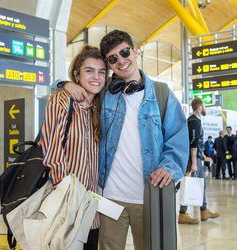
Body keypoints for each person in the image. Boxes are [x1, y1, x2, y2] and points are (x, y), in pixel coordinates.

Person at [60, 29, 189, 250]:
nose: (121, 61)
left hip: (148, 197)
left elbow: (178, 138)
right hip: (109, 198)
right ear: (109, 64)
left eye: (125, 52)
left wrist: (169, 166)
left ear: (135, 51)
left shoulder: (161, 94)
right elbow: (78, 81)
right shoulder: (103, 94)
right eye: (113, 59)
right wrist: (64, 84)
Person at [40, 45, 108, 250]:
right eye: (89, 70)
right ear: (77, 75)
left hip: (93, 206)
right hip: (67, 205)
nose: (96, 76)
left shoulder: (101, 105)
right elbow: (52, 151)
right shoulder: (62, 100)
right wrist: (67, 194)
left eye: (102, 72)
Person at [178, 98, 220, 224]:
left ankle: (204, 210)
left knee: (201, 184)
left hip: (196, 157)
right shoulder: (194, 121)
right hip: (193, 159)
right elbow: (193, 143)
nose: (205, 108)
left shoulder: (195, 120)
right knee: (189, 184)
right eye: (205, 106)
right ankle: (182, 213)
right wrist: (194, 162)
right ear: (200, 106)